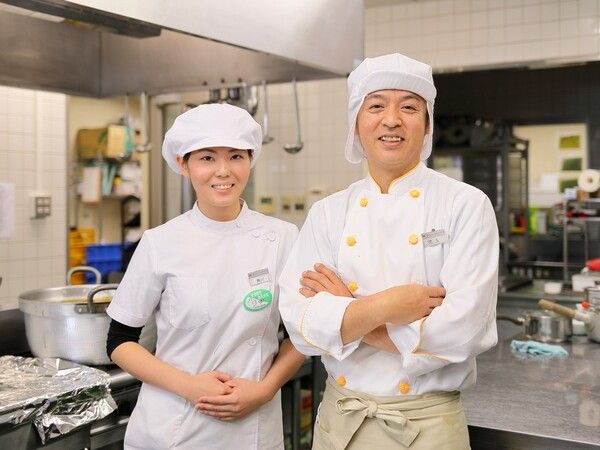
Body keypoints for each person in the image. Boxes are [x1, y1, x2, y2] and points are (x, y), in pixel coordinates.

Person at [278, 53, 499, 449]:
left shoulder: (465, 205)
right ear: (355, 123)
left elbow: (463, 331)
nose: (392, 120)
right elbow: (301, 326)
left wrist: (350, 313)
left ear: (427, 124)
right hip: (341, 423)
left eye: (409, 107)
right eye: (376, 106)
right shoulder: (328, 212)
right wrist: (388, 306)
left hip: (428, 426)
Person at [106, 103, 304, 450]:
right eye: (207, 158)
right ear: (184, 165)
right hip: (171, 428)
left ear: (250, 161)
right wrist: (189, 386)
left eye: (236, 156)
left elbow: (300, 334)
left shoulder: (283, 238)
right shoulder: (160, 242)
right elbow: (120, 341)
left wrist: (264, 389)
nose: (223, 171)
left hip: (253, 429)